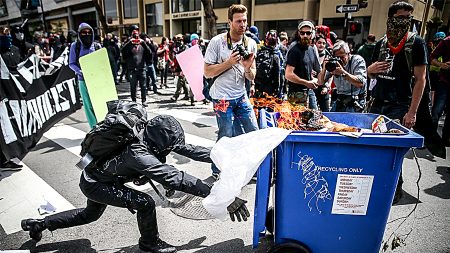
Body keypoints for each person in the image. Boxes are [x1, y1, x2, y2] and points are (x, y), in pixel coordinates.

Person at [21, 115, 250, 253]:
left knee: (88, 216)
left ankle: (40, 224)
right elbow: (176, 178)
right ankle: (149, 244)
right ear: (159, 141)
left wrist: (224, 154)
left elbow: (186, 148)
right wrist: (224, 197)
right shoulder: (139, 154)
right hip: (96, 184)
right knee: (144, 202)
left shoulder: (147, 134)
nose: (172, 150)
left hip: (95, 177)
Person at [367, 1, 434, 203]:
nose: (404, 22)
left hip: (399, 105)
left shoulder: (416, 43)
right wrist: (371, 70)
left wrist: (412, 112)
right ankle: (379, 187)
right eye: (400, 18)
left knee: (393, 151)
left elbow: (421, 79)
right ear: (390, 19)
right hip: (378, 103)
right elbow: (368, 72)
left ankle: (393, 191)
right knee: (377, 149)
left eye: (408, 18)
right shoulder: (380, 43)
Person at [204, 4, 259, 178]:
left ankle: (253, 169)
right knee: (225, 135)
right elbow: (207, 72)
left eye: (245, 20)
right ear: (229, 22)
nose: (243, 24)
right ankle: (217, 170)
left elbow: (251, 77)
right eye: (238, 21)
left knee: (254, 133)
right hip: (221, 98)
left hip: (241, 95)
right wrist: (229, 62)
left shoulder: (250, 43)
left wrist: (248, 68)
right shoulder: (217, 42)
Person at [318, 40, 367, 112]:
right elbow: (320, 82)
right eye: (337, 57)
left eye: (342, 57)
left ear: (348, 54)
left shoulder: (357, 60)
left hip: (355, 101)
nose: (340, 60)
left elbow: (360, 83)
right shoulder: (334, 63)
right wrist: (324, 68)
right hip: (340, 99)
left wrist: (343, 73)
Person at [69, 23, 101, 128]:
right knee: (88, 105)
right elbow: (71, 63)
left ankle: (102, 125)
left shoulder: (97, 45)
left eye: (89, 32)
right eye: (84, 32)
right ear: (79, 33)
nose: (86, 34)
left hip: (97, 79)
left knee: (99, 103)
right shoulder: (75, 46)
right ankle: (94, 127)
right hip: (83, 80)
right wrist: (80, 71)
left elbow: (102, 61)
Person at [0, 26, 23, 170]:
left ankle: (9, 154)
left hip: (13, 94)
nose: (6, 36)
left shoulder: (15, 49)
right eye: (3, 34)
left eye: (8, 33)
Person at [285, 20, 321, 107]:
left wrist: (314, 80)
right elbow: (288, 74)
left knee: (314, 117)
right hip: (296, 94)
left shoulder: (311, 49)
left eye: (308, 33)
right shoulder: (294, 50)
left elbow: (314, 70)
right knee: (297, 119)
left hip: (309, 92)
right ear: (298, 33)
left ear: (312, 34)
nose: (305, 35)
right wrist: (306, 82)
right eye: (302, 33)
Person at [122, 29, 152, 106]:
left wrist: (144, 43)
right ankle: (133, 100)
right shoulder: (129, 45)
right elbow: (122, 51)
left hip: (142, 69)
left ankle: (144, 100)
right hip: (132, 70)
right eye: (134, 36)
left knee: (143, 86)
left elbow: (150, 53)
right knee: (133, 86)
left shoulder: (142, 45)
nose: (136, 38)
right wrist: (129, 42)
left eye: (137, 36)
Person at [430, 32, 450, 146]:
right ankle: (431, 138)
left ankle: (445, 139)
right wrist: (442, 65)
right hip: (444, 82)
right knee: (437, 110)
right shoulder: (447, 41)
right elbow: (432, 57)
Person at [254, 30, 282, 97]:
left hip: (258, 86)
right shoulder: (276, 55)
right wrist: (278, 88)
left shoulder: (259, 52)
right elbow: (277, 74)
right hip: (270, 87)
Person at [313, 35, 332, 112]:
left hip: (324, 87)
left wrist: (327, 87)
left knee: (326, 112)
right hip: (312, 86)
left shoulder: (328, 56)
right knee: (313, 112)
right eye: (319, 43)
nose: (321, 45)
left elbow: (331, 74)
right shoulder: (311, 54)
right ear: (315, 43)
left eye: (324, 43)